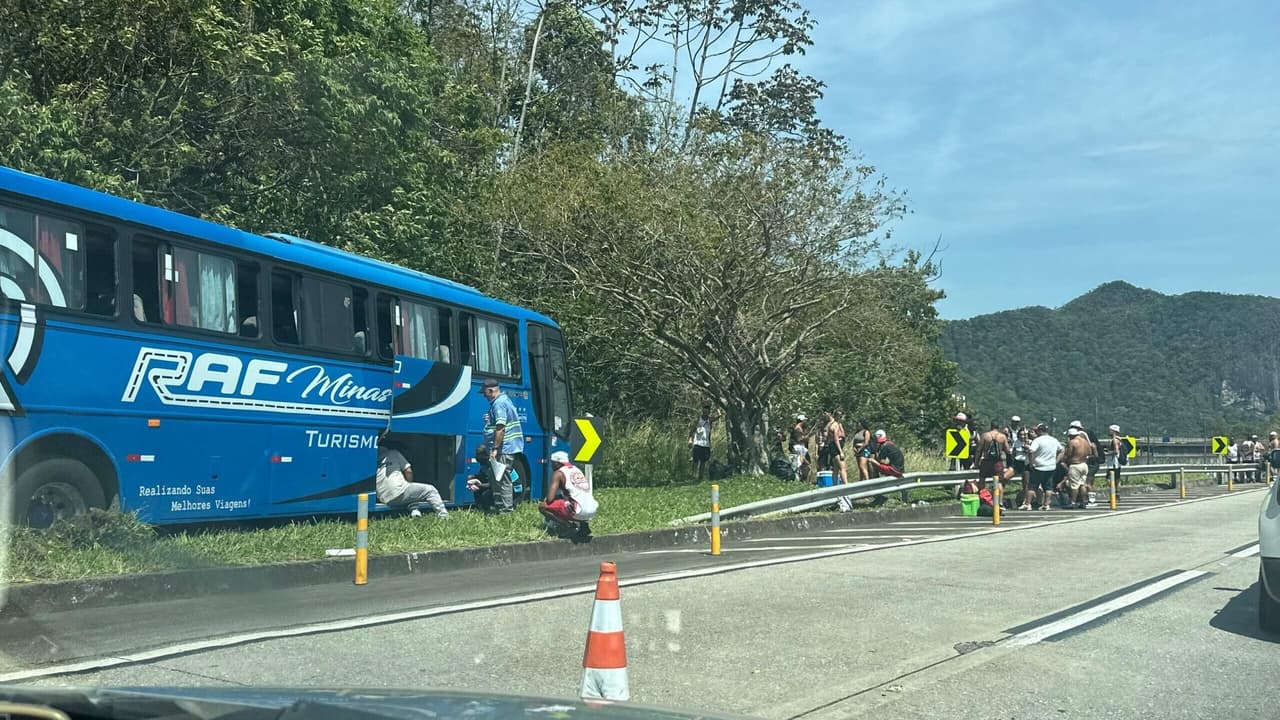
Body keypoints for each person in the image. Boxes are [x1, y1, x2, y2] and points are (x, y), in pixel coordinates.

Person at [376, 435, 449, 518]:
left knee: (412, 495)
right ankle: (444, 516)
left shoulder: (376, 459)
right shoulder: (394, 452)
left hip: (384, 499)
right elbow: (408, 471)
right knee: (430, 490)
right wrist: (409, 483)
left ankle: (415, 512)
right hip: (398, 493)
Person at [480, 378, 519, 512]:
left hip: (504, 448)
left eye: (485, 393)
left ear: (491, 391)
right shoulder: (502, 401)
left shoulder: (499, 404)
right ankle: (499, 506)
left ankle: (506, 510)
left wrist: (495, 448)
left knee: (503, 479)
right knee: (495, 477)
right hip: (504, 447)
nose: (484, 396)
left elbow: (500, 428)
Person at [540, 450, 598, 540]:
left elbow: (549, 499)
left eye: (553, 463)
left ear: (558, 463)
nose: (551, 466)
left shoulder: (558, 473)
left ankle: (567, 526)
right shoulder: (577, 469)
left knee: (543, 507)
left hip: (578, 510)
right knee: (572, 500)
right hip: (592, 510)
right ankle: (583, 526)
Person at [1024, 423, 1062, 511]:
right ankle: (1046, 504)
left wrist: (1031, 463)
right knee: (1048, 487)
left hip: (1039, 466)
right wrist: (1056, 461)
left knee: (1032, 486)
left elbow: (1031, 450)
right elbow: (1061, 450)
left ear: (1040, 431)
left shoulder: (1038, 440)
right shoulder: (1054, 440)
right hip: (1051, 466)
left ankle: (1027, 504)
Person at [976, 421, 1010, 496]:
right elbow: (1008, 450)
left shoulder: (985, 435)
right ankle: (999, 502)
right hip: (997, 462)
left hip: (986, 461)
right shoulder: (1002, 436)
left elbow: (979, 450)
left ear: (991, 426)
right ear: (998, 427)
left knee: (982, 479)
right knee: (999, 482)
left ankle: (982, 498)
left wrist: (976, 463)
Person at [1062, 427, 1092, 509]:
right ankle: (1083, 502)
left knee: (1074, 486)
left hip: (1075, 465)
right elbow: (1090, 452)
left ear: (1071, 435)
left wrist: (1065, 459)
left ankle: (1073, 502)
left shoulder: (1072, 442)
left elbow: (1068, 454)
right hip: (1084, 464)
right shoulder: (1085, 441)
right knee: (1082, 484)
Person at [466, 444, 499, 512]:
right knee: (476, 491)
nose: (478, 458)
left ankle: (489, 509)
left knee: (485, 494)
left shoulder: (492, 464)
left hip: (500, 488)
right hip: (490, 486)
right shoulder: (483, 465)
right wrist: (473, 477)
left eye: (479, 456)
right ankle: (480, 509)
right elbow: (482, 475)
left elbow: (492, 484)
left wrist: (479, 485)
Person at [1007, 415, 1031, 506]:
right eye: (1020, 434)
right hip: (1017, 463)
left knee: (1026, 484)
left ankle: (1024, 501)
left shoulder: (1030, 442)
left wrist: (1028, 449)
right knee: (1004, 478)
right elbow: (1012, 452)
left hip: (1025, 464)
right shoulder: (1016, 442)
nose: (1022, 436)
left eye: (1024, 435)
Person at [690, 404, 714, 481]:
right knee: (695, 461)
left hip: (706, 444)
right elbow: (692, 430)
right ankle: (693, 476)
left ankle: (700, 477)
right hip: (697, 443)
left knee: (703, 461)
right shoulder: (698, 420)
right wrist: (690, 440)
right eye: (704, 411)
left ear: (709, 412)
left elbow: (719, 415)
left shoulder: (709, 421)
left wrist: (717, 408)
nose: (705, 413)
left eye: (707, 411)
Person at [789, 414, 811, 482]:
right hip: (797, 447)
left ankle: (803, 479)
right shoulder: (797, 428)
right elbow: (799, 439)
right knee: (799, 463)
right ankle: (798, 478)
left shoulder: (801, 428)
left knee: (804, 463)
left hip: (800, 447)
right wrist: (806, 438)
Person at [833, 411, 850, 484]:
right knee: (843, 467)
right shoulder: (835, 425)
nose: (841, 418)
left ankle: (834, 485)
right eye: (839, 416)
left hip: (839, 446)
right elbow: (836, 439)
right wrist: (840, 452)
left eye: (841, 416)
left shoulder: (839, 425)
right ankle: (846, 485)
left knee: (836, 468)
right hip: (836, 447)